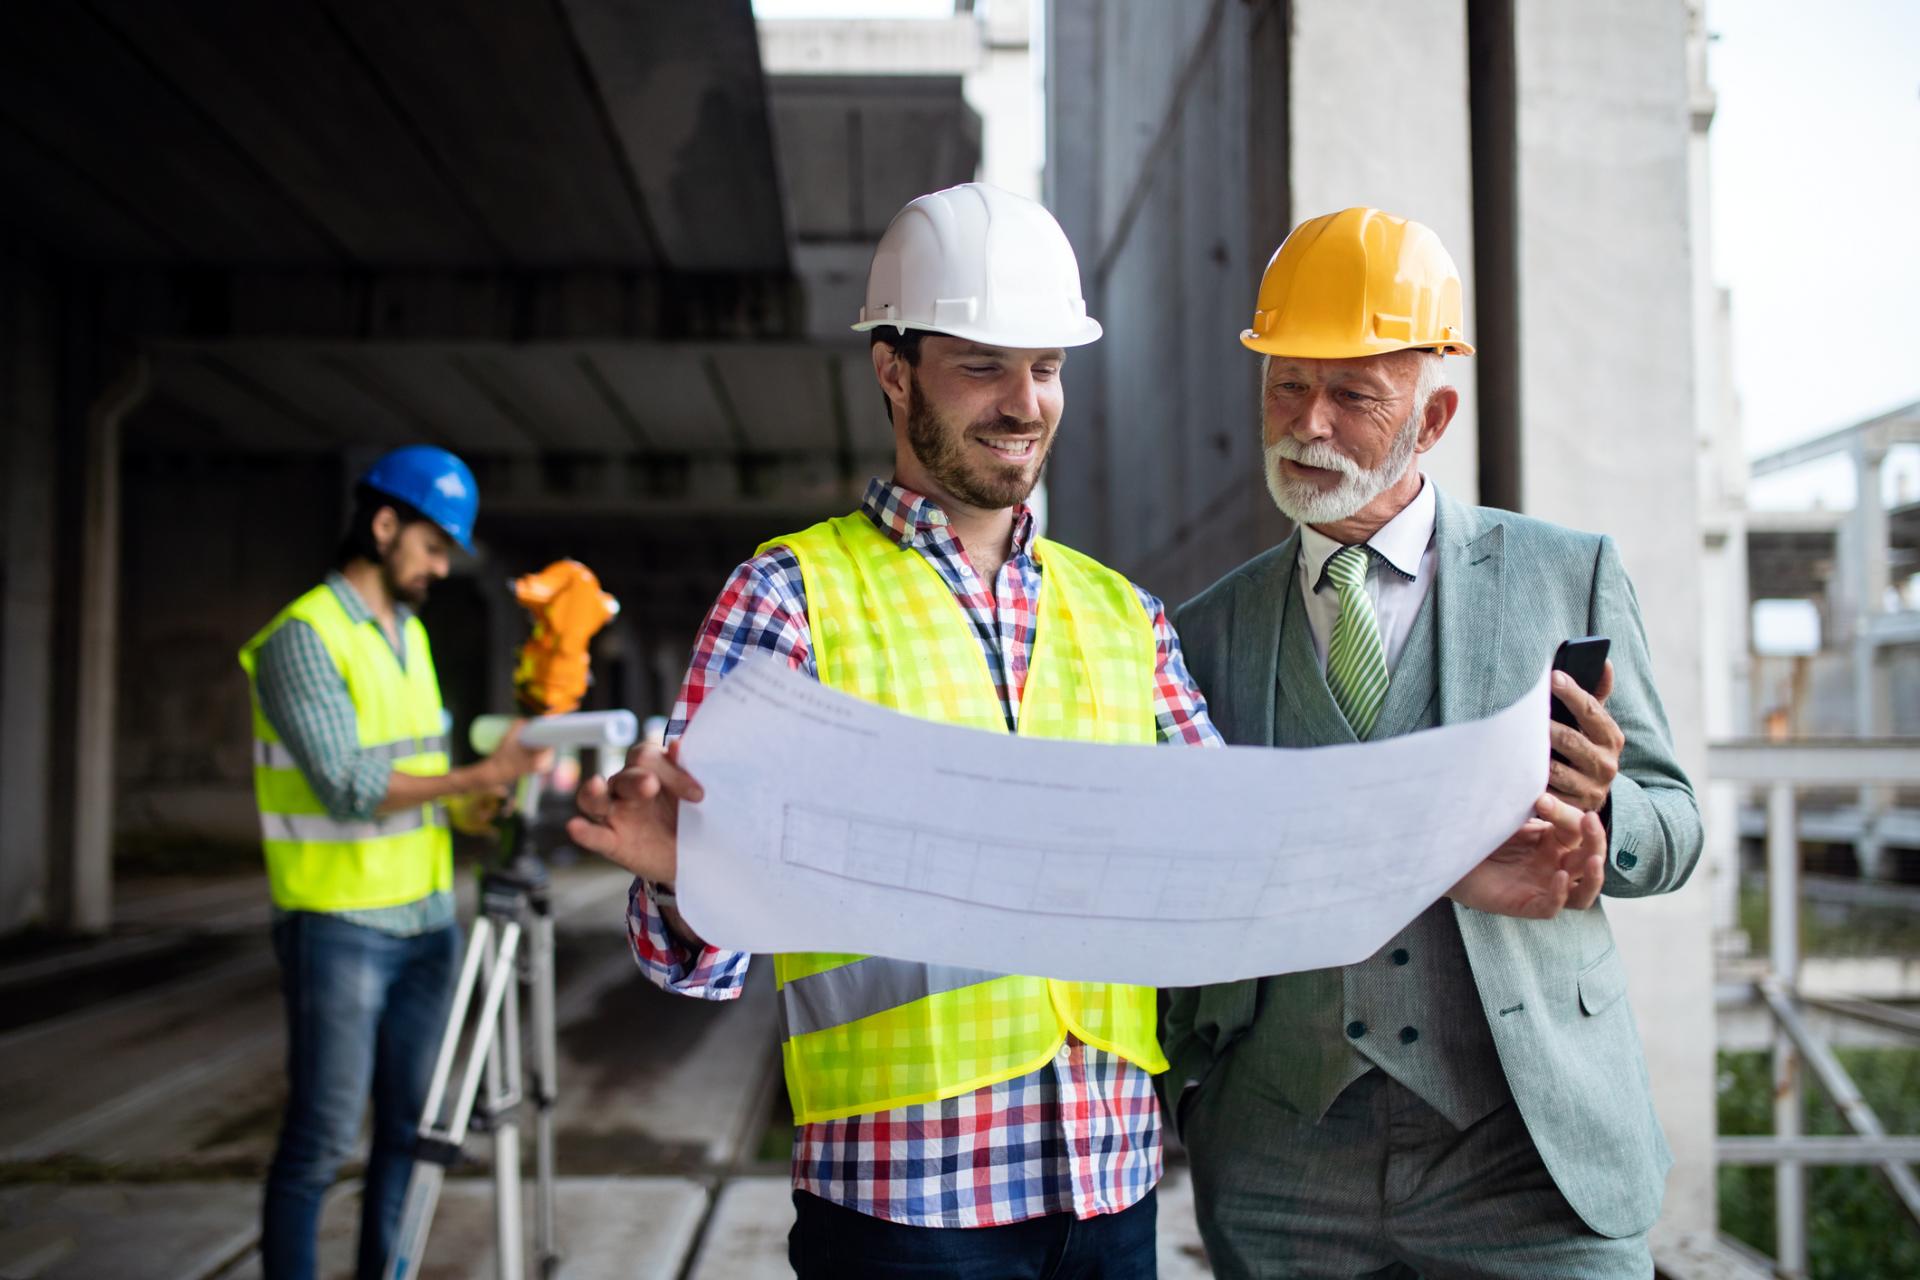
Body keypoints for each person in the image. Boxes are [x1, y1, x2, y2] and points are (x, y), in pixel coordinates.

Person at [569, 186, 1604, 1280]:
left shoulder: (1124, 615)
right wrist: (677, 876)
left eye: (1048, 367)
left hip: (1110, 1181)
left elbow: (1239, 859)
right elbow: (696, 961)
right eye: (983, 365)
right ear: (894, 370)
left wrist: (1459, 870)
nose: (1025, 402)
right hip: (905, 1197)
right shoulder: (786, 600)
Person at [1164, 207, 1704, 1279]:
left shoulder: (1567, 573)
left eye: (1354, 394)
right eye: (1285, 385)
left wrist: (1604, 817)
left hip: (1527, 1146)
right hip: (1281, 1159)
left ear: (1435, 412)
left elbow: (1676, 823)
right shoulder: (1201, 632)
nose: (1307, 422)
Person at [238, 446, 548, 1280]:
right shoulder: (302, 639)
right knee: (322, 1140)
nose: (441, 567)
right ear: (383, 524)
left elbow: (420, 778)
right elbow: (347, 785)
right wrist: (480, 773)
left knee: (409, 1133)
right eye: (434, 545)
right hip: (338, 927)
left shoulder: (407, 636)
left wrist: (481, 802)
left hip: (424, 924)